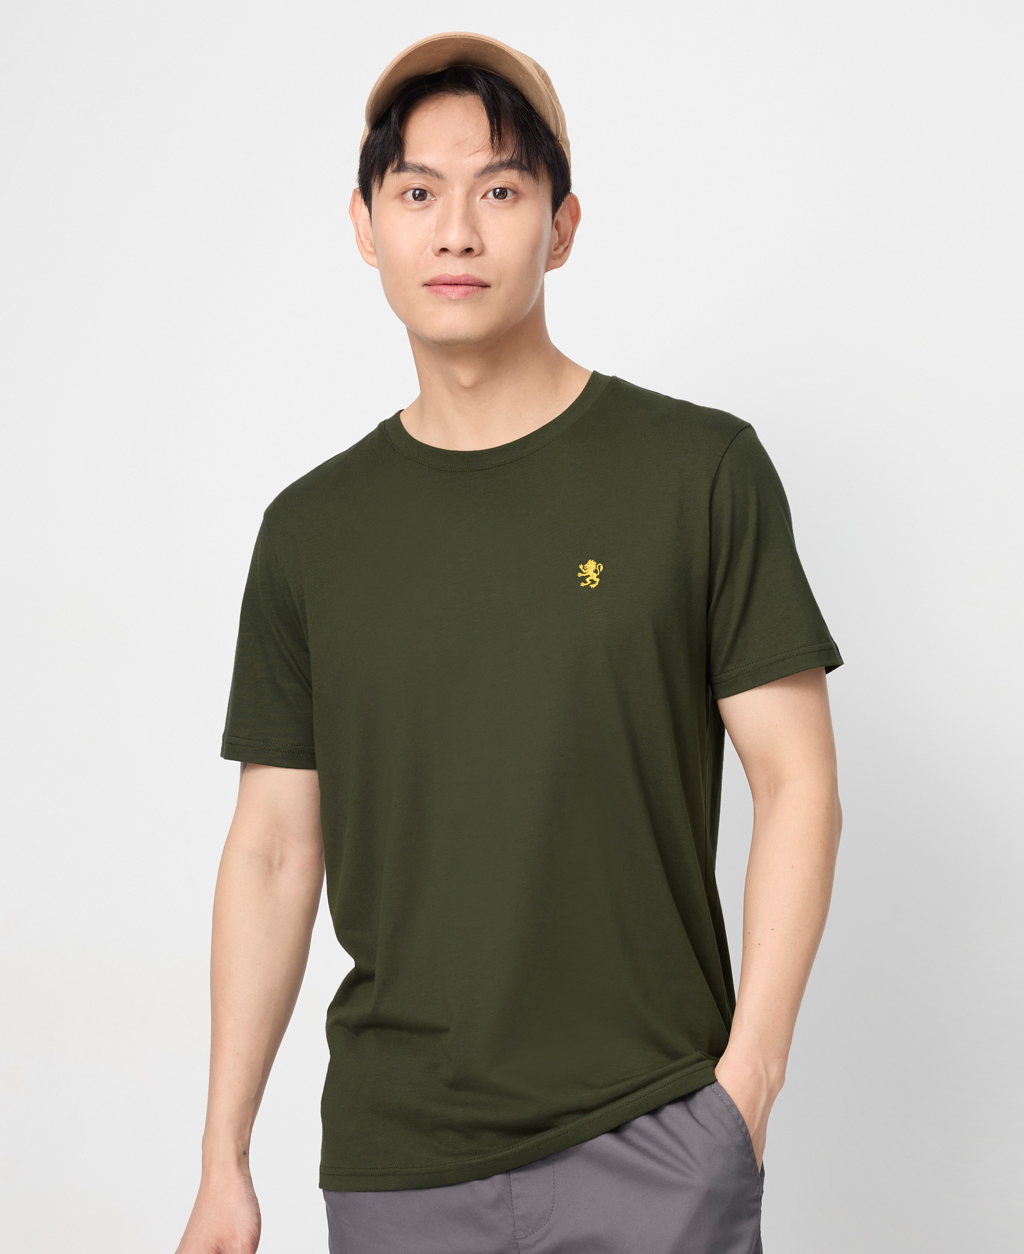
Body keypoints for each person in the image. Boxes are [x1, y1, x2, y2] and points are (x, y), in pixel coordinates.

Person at [174, 30, 843, 1254]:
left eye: (499, 191)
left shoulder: (698, 472)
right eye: (417, 193)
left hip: (654, 1135)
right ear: (365, 226)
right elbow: (271, 850)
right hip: (397, 1165)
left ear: (561, 226)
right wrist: (224, 1158)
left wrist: (744, 1090)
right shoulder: (311, 532)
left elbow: (796, 780)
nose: (456, 232)